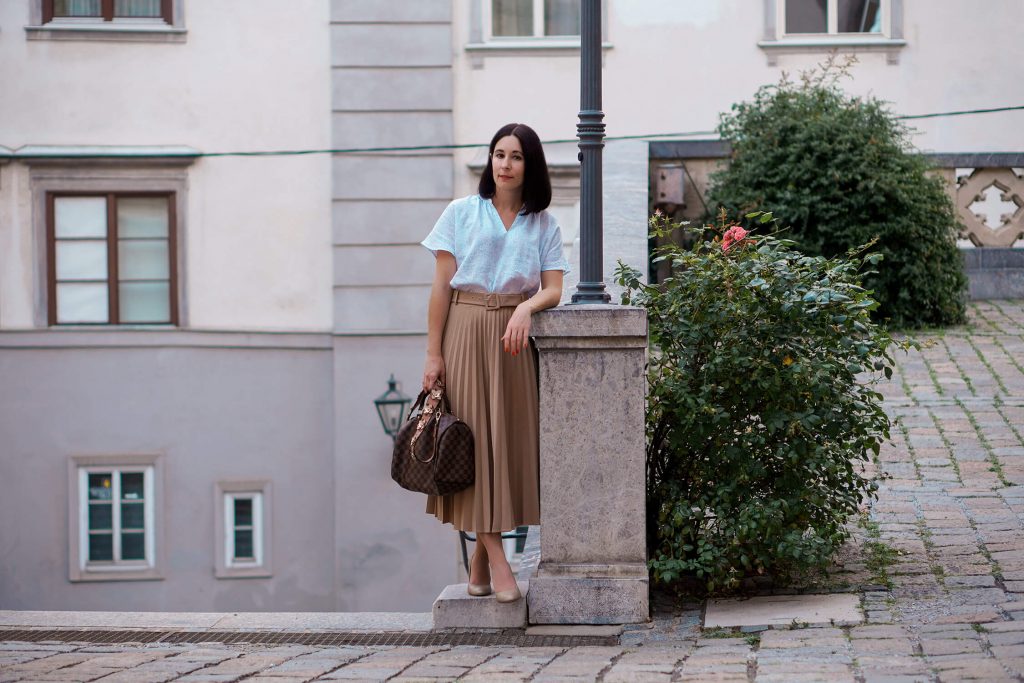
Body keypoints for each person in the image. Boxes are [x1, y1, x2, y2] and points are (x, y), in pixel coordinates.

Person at [420, 123, 568, 603]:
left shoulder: (543, 223)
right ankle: (500, 563)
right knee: (469, 446)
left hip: (513, 340)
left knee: (503, 449)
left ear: (531, 166)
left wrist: (525, 307)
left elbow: (553, 289)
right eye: (498, 154)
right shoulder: (461, 213)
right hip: (464, 331)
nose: (504, 164)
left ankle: (479, 567)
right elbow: (442, 288)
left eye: (516, 156)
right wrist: (433, 352)